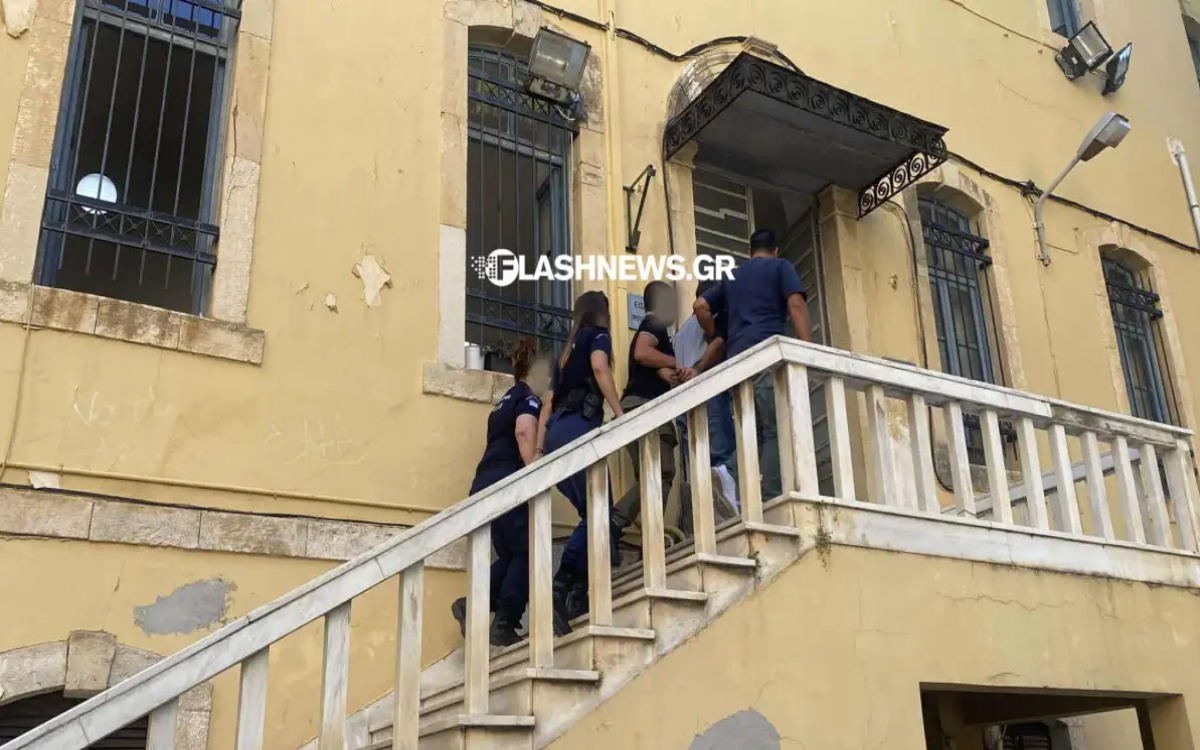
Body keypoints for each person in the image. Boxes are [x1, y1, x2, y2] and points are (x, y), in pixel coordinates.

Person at [695, 230, 811, 501]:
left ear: (750, 252)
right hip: (765, 355)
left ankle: (728, 475)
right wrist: (806, 349)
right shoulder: (781, 267)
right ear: (775, 250)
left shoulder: (733, 276)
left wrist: (713, 333)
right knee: (775, 427)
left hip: (737, 362)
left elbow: (700, 306)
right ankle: (771, 496)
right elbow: (796, 304)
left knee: (753, 430)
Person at [450, 339, 552, 647]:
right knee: (529, 551)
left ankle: (472, 605)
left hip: (485, 481)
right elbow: (523, 430)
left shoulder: (504, 400)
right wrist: (534, 465)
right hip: (507, 481)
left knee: (511, 554)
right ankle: (505, 621)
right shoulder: (528, 399)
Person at [540, 291, 624, 634]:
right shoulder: (598, 335)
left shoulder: (564, 352)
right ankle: (560, 586)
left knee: (592, 514)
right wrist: (620, 413)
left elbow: (547, 402)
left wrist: (540, 451)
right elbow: (600, 367)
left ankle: (578, 594)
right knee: (599, 512)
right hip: (578, 429)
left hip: (556, 433)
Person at [612, 281, 683, 535]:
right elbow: (642, 353)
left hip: (634, 406)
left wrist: (678, 372)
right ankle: (616, 520)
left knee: (651, 475)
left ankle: (646, 539)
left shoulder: (657, 332)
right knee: (661, 472)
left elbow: (660, 371)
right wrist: (678, 360)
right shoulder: (655, 324)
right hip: (645, 408)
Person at [673, 280, 739, 519]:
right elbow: (718, 344)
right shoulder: (711, 319)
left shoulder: (679, 334)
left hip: (684, 404)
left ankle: (707, 519)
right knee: (722, 455)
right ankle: (729, 507)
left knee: (698, 463)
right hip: (708, 393)